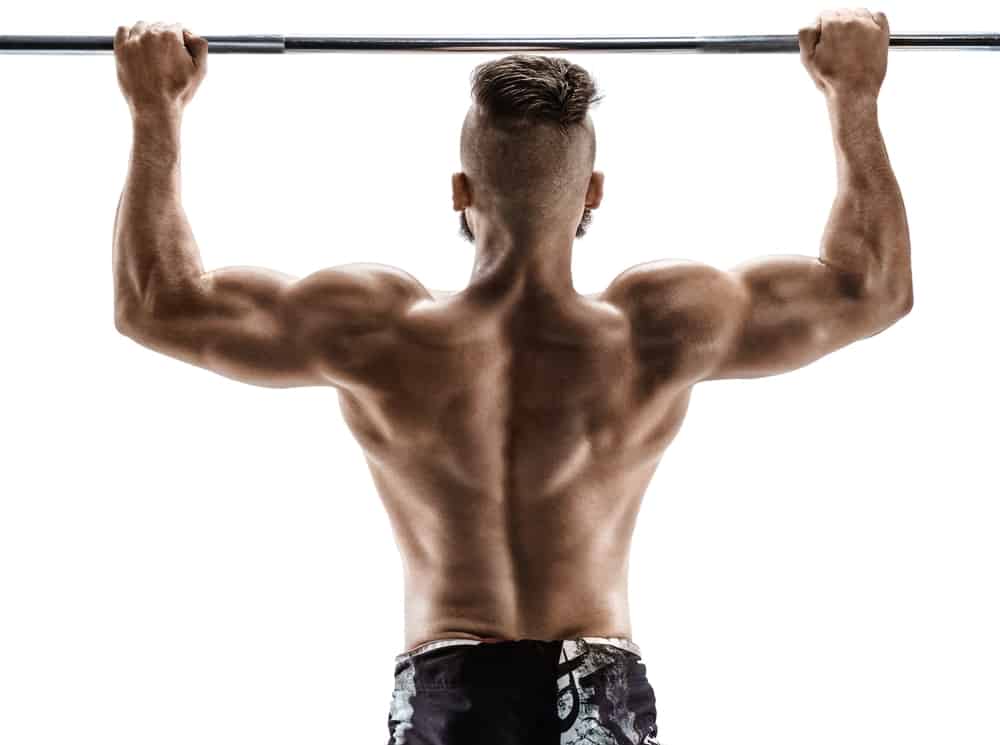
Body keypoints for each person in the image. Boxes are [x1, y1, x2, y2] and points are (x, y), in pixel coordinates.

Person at [111, 9, 912, 744]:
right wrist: (853, 94)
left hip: (448, 688)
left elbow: (159, 303)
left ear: (460, 190)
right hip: (595, 690)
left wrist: (157, 111)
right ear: (593, 191)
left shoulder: (375, 331)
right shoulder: (658, 327)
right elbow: (871, 287)